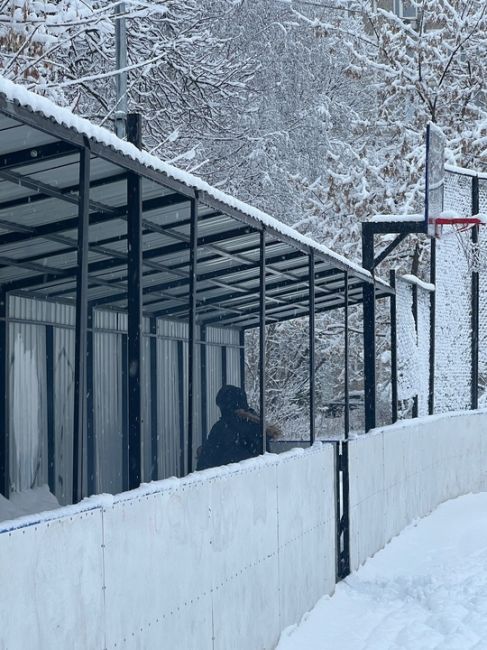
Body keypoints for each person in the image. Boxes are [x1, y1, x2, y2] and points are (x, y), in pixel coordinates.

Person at [196, 385, 280, 471]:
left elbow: (207, 462)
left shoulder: (223, 428)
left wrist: (203, 452)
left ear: (224, 406)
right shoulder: (258, 425)